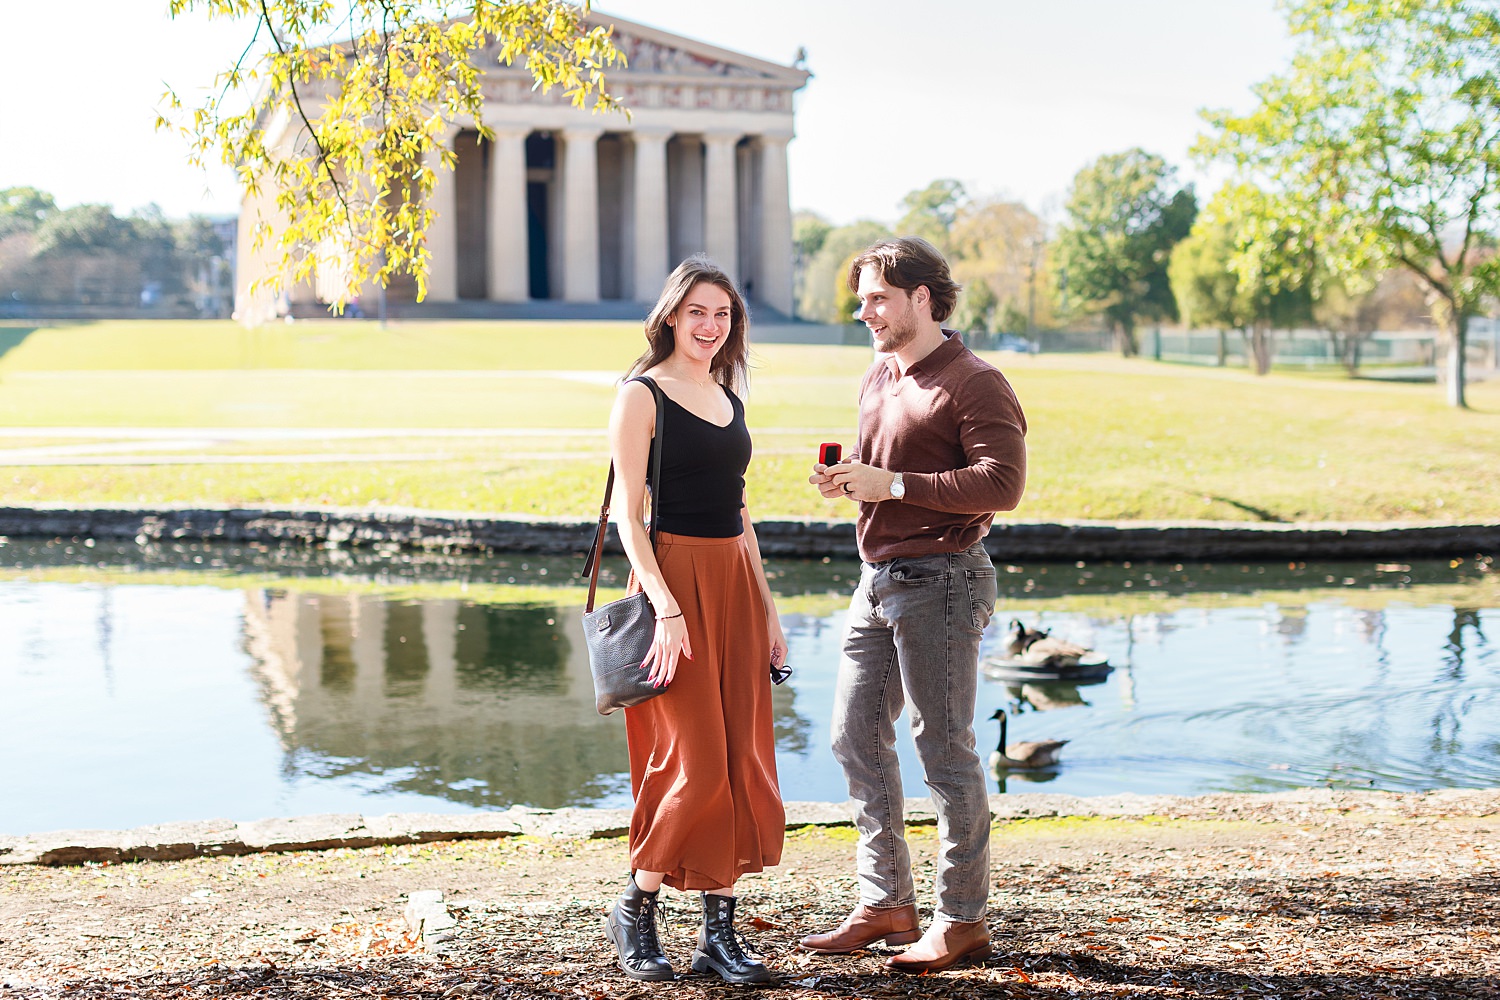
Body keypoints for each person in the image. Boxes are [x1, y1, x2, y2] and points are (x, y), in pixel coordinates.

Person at [801, 237, 1027, 973]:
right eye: (861, 298)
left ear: (922, 298)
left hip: (945, 579)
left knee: (945, 751)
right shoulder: (878, 375)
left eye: (877, 298)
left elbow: (1001, 484)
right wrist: (852, 483)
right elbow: (885, 471)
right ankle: (888, 903)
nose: (863, 311)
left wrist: (893, 486)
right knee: (853, 738)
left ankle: (961, 919)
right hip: (879, 579)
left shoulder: (974, 381)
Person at [602, 256, 788, 985]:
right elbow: (627, 515)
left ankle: (718, 936)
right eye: (698, 312)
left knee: (741, 759)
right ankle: (637, 903)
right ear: (672, 315)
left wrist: (768, 609)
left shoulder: (726, 393)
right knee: (694, 764)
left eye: (723, 315)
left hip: (735, 586)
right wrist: (666, 607)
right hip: (671, 583)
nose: (711, 326)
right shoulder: (641, 394)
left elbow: (741, 514)